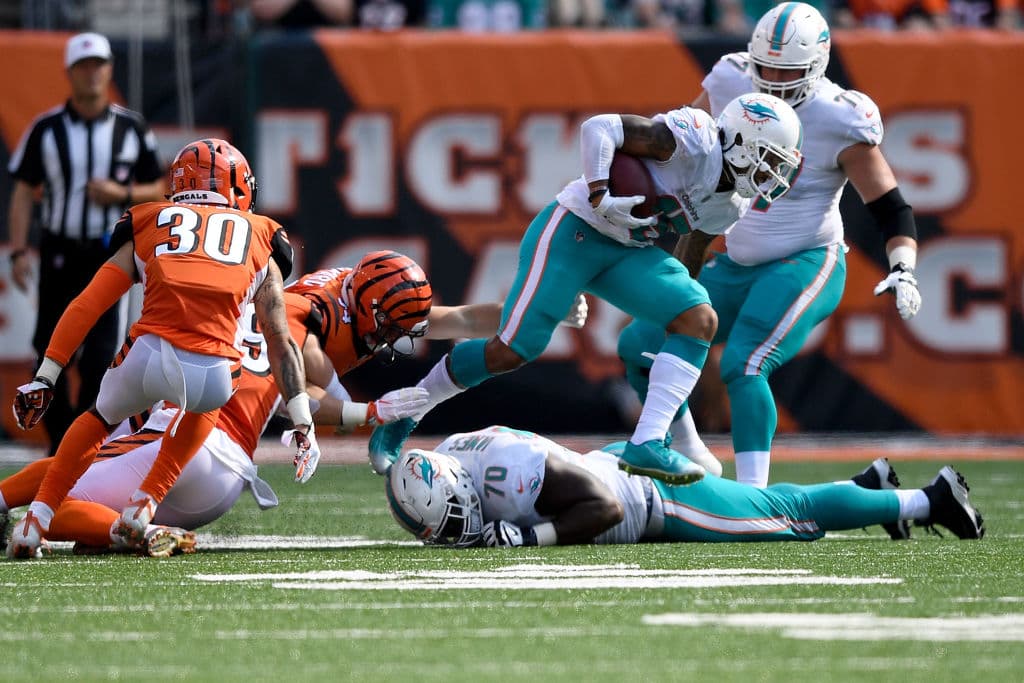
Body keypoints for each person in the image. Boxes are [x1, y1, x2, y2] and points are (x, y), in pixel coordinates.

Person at [0, 255, 585, 556]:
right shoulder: (306, 318)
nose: (392, 343)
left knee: (60, 489)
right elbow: (297, 381)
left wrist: (539, 309)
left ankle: (73, 520)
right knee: (69, 492)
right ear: (369, 313)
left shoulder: (350, 301)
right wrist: (363, 412)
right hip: (216, 468)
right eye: (391, 332)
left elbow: (454, 319)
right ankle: (114, 529)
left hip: (196, 442)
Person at [369, 92, 804, 486]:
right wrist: (600, 192)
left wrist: (670, 318)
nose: (773, 174)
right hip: (576, 228)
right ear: (742, 141)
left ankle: (649, 442)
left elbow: (690, 250)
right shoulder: (693, 140)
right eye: (769, 159)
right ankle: (407, 409)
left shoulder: (732, 204)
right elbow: (600, 127)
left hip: (628, 249)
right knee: (511, 349)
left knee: (698, 317)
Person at [618, 2, 923, 502]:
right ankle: (691, 448)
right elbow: (680, 145)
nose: (776, 80)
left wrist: (903, 265)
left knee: (746, 362)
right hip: (735, 260)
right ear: (750, 58)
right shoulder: (729, 80)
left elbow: (890, 205)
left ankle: (753, 497)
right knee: (639, 345)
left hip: (805, 260)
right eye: (768, 67)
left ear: (818, 65)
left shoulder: (838, 116)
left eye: (789, 70)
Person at [6, 138, 316, 560]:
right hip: (211, 373)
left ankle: (33, 522)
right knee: (216, 388)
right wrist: (302, 420)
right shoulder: (262, 234)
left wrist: (47, 375)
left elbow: (88, 304)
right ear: (240, 188)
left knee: (98, 420)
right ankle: (145, 504)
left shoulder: (151, 218)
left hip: (146, 355)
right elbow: (278, 337)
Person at [385, 425, 985, 548]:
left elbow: (604, 507)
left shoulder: (511, 471)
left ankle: (931, 498)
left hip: (652, 496)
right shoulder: (447, 457)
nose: (459, 532)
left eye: (457, 517)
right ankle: (866, 487)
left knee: (793, 513)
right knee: (767, 503)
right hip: (611, 464)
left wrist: (529, 539)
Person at [6, 32, 166, 455]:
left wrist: (120, 196)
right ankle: (60, 444)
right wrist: (20, 250)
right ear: (70, 73)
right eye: (84, 66)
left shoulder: (131, 128)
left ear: (109, 69)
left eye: (99, 65)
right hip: (59, 250)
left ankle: (80, 444)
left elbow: (159, 188)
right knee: (50, 353)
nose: (92, 74)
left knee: (101, 357)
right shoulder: (46, 129)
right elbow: (24, 190)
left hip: (109, 253)